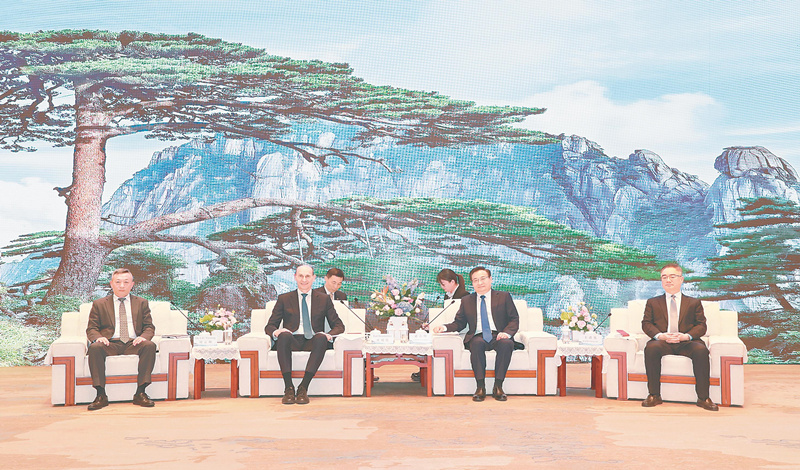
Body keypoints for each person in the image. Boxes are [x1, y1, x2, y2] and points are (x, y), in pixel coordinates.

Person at [432, 266, 518, 402]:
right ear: (472, 283)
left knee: (506, 344)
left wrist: (507, 333)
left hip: (499, 335)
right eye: (475, 280)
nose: (480, 283)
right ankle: (480, 387)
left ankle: (498, 386)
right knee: (476, 344)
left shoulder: (503, 296)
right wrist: (444, 327)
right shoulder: (467, 300)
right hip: (478, 335)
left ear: (490, 279)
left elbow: (514, 319)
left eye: (483, 279)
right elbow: (459, 323)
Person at [641, 263, 718, 411]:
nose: (668, 280)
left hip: (686, 342)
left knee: (701, 350)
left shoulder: (694, 303)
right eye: (664, 277)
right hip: (663, 341)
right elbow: (646, 324)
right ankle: (654, 395)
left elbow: (701, 326)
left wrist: (686, 336)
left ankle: (703, 398)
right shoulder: (652, 302)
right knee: (651, 348)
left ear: (681, 279)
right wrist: (660, 336)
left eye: (672, 276)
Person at [265, 264, 345, 405]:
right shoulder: (284, 298)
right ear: (295, 277)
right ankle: (288, 388)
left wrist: (328, 335)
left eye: (307, 276)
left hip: (313, 341)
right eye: (300, 276)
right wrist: (276, 331)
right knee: (284, 336)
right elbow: (270, 326)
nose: (304, 279)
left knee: (321, 338)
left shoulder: (324, 299)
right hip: (291, 340)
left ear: (313, 278)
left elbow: (339, 326)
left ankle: (303, 387)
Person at [85, 268, 157, 410]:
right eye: (118, 282)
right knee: (95, 347)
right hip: (110, 343)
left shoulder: (141, 303)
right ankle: (100, 395)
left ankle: (140, 392)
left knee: (149, 345)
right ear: (111, 284)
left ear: (132, 284)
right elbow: (91, 329)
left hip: (133, 343)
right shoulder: (99, 304)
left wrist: (143, 337)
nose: (122, 286)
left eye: (126, 282)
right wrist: (99, 338)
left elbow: (149, 327)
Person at [412, 268, 470, 382]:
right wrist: (432, 324)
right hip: (450, 326)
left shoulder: (464, 296)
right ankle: (424, 370)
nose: (442, 287)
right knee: (425, 332)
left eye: (443, 284)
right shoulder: (447, 295)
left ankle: (427, 370)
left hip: (460, 331)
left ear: (452, 282)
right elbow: (447, 315)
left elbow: (458, 320)